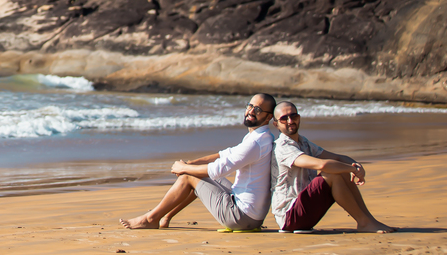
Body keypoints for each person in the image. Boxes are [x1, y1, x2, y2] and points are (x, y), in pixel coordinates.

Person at [120, 94, 275, 231]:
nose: (251, 111)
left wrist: (184, 168)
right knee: (194, 172)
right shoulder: (261, 137)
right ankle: (165, 216)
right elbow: (224, 154)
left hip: (241, 217)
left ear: (268, 117)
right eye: (250, 106)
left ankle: (150, 219)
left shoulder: (255, 143)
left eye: (258, 109)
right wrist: (192, 163)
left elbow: (218, 170)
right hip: (251, 214)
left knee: (190, 176)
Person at [270, 101, 393, 233]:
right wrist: (352, 169)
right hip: (290, 218)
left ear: (299, 117)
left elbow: (337, 158)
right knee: (331, 172)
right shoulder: (283, 147)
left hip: (306, 211)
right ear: (276, 124)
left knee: (341, 169)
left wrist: (356, 166)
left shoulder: (303, 142)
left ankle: (369, 221)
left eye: (294, 116)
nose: (290, 121)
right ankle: (364, 222)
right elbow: (322, 164)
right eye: (284, 118)